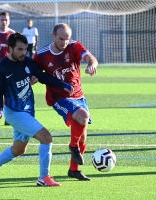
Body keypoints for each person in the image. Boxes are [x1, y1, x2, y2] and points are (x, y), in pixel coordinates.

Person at [0, 32, 74, 187]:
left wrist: (63, 84)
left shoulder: (28, 62)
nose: (23, 53)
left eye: (25, 49)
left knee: (18, 150)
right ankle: (44, 178)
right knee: (46, 137)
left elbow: (43, 77)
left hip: (28, 110)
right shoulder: (1, 68)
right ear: (10, 48)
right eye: (19, 49)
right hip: (14, 113)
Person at [33, 23, 98, 181]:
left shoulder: (74, 46)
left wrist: (92, 64)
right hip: (59, 98)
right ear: (53, 36)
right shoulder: (41, 55)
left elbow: (90, 58)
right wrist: (32, 77)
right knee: (82, 116)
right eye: (61, 39)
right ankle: (73, 146)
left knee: (82, 137)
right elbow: (33, 71)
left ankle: (74, 170)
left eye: (67, 39)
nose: (64, 43)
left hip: (79, 96)